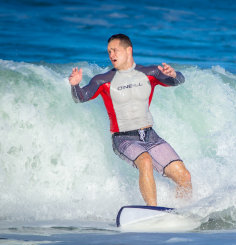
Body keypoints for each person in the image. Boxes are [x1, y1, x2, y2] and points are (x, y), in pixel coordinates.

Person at [68, 33, 192, 206]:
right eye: (109, 51)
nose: (111, 55)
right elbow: (80, 97)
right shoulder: (103, 80)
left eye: (115, 50)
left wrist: (174, 74)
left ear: (128, 50)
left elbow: (178, 81)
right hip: (123, 139)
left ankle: (182, 210)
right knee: (145, 161)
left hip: (150, 136)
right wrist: (75, 85)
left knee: (184, 176)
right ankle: (152, 211)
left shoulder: (150, 73)